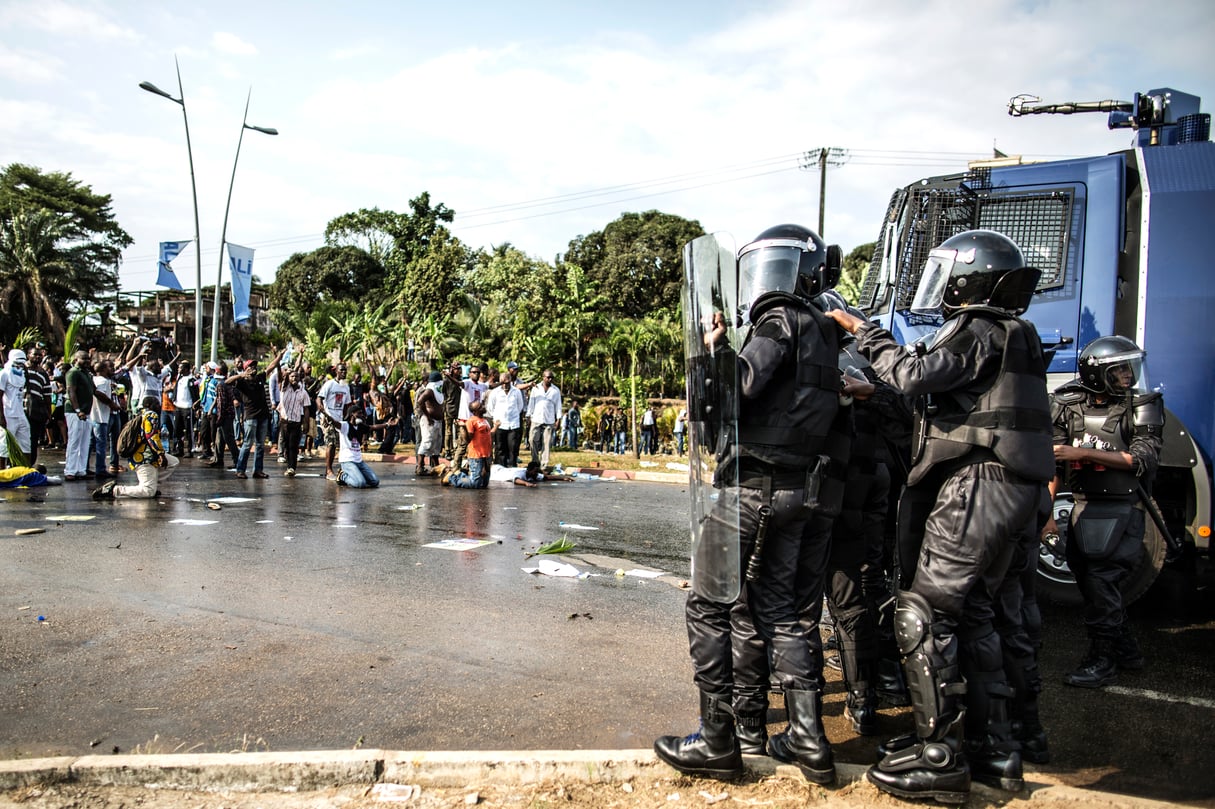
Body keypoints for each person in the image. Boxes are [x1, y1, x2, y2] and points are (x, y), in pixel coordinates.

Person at [825, 230, 1055, 802]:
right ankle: (995, 751)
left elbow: (911, 375)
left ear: (968, 278)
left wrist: (861, 329)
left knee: (922, 614)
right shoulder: (1016, 334)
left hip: (979, 484)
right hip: (1012, 489)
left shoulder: (977, 327)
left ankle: (939, 756)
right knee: (974, 614)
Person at [654, 224, 843, 785]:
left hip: (751, 489)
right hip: (797, 491)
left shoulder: (779, 321)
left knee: (709, 604)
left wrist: (716, 352)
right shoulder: (826, 332)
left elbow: (743, 380)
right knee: (782, 611)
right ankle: (809, 737)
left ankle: (718, 739)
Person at [1044, 336, 1163, 688]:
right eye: (1119, 370)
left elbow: (1141, 459)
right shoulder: (1067, 403)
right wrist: (1047, 515)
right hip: (1081, 505)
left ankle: (1103, 659)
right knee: (1090, 581)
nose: (1128, 376)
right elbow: (1051, 462)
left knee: (1100, 580)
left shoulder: (1143, 405)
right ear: (1097, 374)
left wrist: (1081, 454)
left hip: (1122, 508)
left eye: (1130, 368)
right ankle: (1126, 650)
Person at [92, 395, 177, 500]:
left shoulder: (140, 414)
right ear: (149, 405)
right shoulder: (151, 415)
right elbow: (151, 435)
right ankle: (114, 490)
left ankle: (152, 484)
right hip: (145, 457)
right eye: (156, 403)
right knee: (147, 492)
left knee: (173, 462)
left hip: (140, 455)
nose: (159, 405)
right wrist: (161, 453)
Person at [229, 349, 285, 480]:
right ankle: (240, 469)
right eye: (250, 366)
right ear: (245, 369)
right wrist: (241, 375)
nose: (253, 368)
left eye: (254, 366)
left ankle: (257, 470)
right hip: (250, 416)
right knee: (247, 444)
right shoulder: (242, 382)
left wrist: (279, 356)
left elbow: (271, 366)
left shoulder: (260, 377)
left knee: (260, 445)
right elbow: (227, 382)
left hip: (263, 416)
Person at [319, 401, 379, 488]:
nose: (362, 415)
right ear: (352, 414)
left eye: (362, 413)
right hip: (347, 461)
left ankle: (358, 476)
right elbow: (334, 422)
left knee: (375, 482)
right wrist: (325, 414)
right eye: (359, 413)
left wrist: (387, 424)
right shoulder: (344, 426)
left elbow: (373, 427)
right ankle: (343, 476)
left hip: (359, 461)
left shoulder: (360, 426)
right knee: (360, 483)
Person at [442, 400, 492, 488]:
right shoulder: (471, 421)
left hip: (486, 455)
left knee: (484, 484)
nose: (483, 407)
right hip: (476, 455)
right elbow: (468, 439)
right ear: (475, 411)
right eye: (480, 407)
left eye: (482, 405)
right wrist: (463, 427)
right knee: (474, 483)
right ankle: (452, 478)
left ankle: (460, 475)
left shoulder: (484, 420)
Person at [64, 350, 96, 481]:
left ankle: (81, 469)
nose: (87, 361)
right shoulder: (73, 373)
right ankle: (70, 470)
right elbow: (71, 391)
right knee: (74, 441)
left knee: (84, 441)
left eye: (89, 359)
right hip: (75, 412)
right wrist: (78, 410)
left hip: (86, 412)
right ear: (76, 359)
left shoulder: (86, 374)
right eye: (84, 359)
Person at [317, 362, 351, 481]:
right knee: (331, 443)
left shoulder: (346, 387)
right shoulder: (329, 384)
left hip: (339, 419)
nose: (344, 372)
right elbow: (319, 399)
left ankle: (338, 469)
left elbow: (347, 405)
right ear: (336, 371)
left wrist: (346, 419)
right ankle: (329, 471)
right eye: (341, 370)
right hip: (328, 417)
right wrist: (324, 414)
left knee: (340, 445)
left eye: (345, 370)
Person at [487, 371, 525, 467]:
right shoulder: (495, 392)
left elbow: (520, 406)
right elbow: (490, 407)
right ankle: (501, 468)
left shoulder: (516, 392)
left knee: (513, 448)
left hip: (513, 424)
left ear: (511, 381)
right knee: (500, 448)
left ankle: (512, 468)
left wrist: (513, 414)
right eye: (503, 383)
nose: (505, 385)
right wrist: (496, 418)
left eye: (507, 382)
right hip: (500, 424)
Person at [0, 348, 30, 469]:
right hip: (8, 414)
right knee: (4, 444)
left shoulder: (22, 374)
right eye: (18, 362)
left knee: (25, 443)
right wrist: (1, 417)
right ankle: (1, 472)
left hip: (20, 414)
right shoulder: (4, 374)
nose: (20, 365)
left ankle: (25, 470)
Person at [277, 364, 310, 477]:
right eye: (291, 377)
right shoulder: (285, 388)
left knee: (293, 445)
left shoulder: (303, 392)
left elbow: (306, 408)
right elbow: (280, 377)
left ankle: (292, 467)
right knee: (286, 445)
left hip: (296, 421)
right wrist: (278, 360)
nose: (294, 378)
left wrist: (306, 423)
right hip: (284, 421)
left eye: (296, 377)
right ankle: (288, 463)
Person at [527, 369, 561, 468]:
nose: (550, 379)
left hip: (549, 419)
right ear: (543, 377)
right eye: (548, 377)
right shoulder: (536, 388)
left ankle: (544, 464)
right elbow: (531, 403)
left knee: (546, 442)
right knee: (532, 439)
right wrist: (528, 416)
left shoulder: (555, 390)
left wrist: (558, 419)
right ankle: (535, 461)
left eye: (551, 378)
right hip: (536, 418)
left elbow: (558, 406)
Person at [413, 371, 445, 476]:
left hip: (438, 421)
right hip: (429, 421)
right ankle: (419, 466)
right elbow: (420, 402)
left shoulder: (437, 390)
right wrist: (427, 416)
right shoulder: (429, 391)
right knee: (426, 442)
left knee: (436, 444)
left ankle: (436, 466)